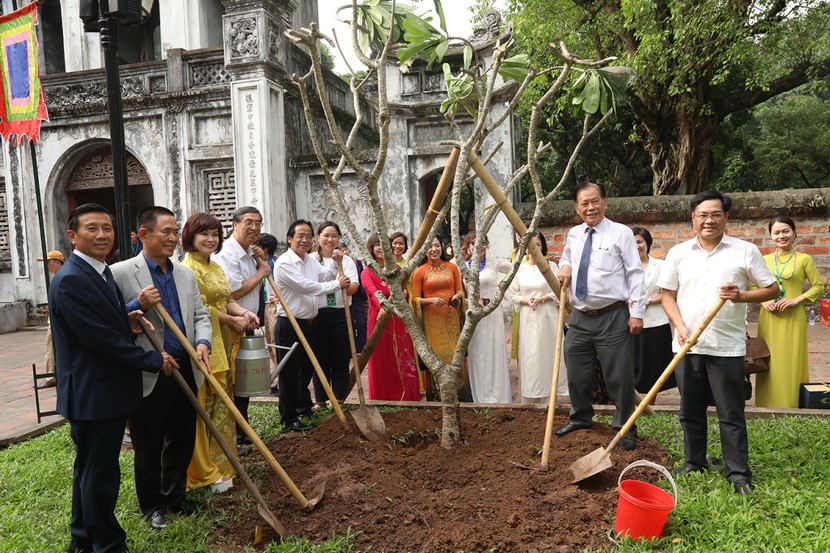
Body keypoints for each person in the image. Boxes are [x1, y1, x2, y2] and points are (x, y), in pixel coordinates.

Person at [50, 204, 175, 553]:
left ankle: (82, 538)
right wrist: (151, 359)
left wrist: (128, 316)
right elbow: (100, 341)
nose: (102, 235)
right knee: (100, 473)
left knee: (88, 470)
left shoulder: (99, 271)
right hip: (94, 393)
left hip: (102, 390)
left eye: (107, 228)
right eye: (92, 228)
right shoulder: (73, 278)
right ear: (72, 235)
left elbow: (102, 322)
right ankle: (107, 543)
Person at [659, 189, 778, 495]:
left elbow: (772, 290)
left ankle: (738, 472)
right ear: (693, 218)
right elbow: (667, 295)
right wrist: (679, 326)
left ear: (726, 217)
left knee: (731, 413)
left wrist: (741, 296)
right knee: (690, 410)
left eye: (715, 214)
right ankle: (694, 462)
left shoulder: (745, 251)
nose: (709, 220)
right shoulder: (678, 253)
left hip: (727, 346)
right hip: (687, 345)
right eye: (703, 214)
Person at [111, 206, 213, 529]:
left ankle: (175, 497)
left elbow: (200, 315)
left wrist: (203, 343)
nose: (173, 238)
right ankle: (153, 505)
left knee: (182, 437)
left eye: (175, 232)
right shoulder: (120, 273)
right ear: (144, 235)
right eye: (166, 232)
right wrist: (135, 305)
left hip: (184, 366)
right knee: (149, 443)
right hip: (149, 370)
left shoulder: (185, 273)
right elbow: (109, 324)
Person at [555, 182, 645, 452]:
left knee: (619, 375)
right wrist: (565, 266)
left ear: (605, 202)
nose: (590, 207)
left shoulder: (621, 233)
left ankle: (624, 426)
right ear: (577, 207)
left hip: (613, 314)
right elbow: (566, 259)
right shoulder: (574, 234)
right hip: (580, 317)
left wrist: (637, 313)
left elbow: (635, 273)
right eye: (584, 203)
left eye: (595, 201)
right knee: (577, 372)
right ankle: (581, 417)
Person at [181, 213, 259, 493]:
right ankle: (204, 472)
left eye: (215, 234)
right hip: (204, 345)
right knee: (205, 408)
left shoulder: (214, 267)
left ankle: (224, 464)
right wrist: (232, 320)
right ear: (190, 236)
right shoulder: (187, 269)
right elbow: (200, 310)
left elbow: (226, 301)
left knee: (223, 406)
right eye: (204, 234)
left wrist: (244, 312)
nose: (211, 239)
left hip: (225, 344)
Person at [272, 219, 350, 431]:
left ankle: (302, 408)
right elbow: (307, 287)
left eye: (308, 236)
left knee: (305, 369)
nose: (305, 240)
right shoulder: (285, 263)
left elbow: (324, 275)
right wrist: (337, 284)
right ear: (289, 239)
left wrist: (334, 262)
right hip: (289, 324)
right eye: (300, 236)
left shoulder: (310, 260)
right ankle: (288, 418)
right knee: (289, 373)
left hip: (309, 323)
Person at [213, 206, 272, 445]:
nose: (254, 227)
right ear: (235, 224)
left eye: (258, 223)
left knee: (243, 380)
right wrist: (263, 272)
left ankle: (242, 428)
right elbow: (234, 292)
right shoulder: (227, 254)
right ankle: (236, 433)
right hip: (230, 323)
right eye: (249, 222)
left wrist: (260, 263)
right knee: (234, 381)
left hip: (246, 322)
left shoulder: (249, 253)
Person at [756, 216, 824, 408]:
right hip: (769, 317)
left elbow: (817, 286)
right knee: (769, 360)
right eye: (776, 232)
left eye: (786, 231)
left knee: (791, 360)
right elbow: (752, 285)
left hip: (793, 317)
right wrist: (764, 301)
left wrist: (796, 300)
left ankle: (791, 403)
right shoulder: (763, 260)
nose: (781, 236)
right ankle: (765, 405)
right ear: (770, 236)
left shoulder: (804, 259)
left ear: (795, 233)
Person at [507, 231, 567, 403]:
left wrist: (542, 299)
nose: (533, 248)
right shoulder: (519, 269)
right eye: (530, 245)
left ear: (543, 247)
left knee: (549, 353)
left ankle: (550, 398)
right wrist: (527, 300)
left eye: (537, 244)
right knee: (531, 355)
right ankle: (531, 396)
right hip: (528, 316)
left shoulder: (550, 267)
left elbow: (559, 291)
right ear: (524, 248)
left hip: (548, 315)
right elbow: (513, 294)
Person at [361, 233, 420, 401]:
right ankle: (382, 397)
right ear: (371, 249)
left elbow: (405, 294)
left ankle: (407, 398)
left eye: (384, 243)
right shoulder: (367, 272)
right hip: (379, 321)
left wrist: (404, 293)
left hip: (398, 320)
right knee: (382, 360)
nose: (381, 247)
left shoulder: (396, 270)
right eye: (377, 244)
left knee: (402, 357)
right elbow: (373, 292)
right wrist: (383, 307)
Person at [412, 236, 470, 401]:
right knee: (437, 358)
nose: (434, 249)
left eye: (436, 245)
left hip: (451, 319)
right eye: (430, 246)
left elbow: (460, 290)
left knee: (455, 355)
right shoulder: (420, 271)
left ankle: (460, 396)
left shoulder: (452, 267)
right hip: (432, 321)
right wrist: (430, 300)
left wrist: (457, 297)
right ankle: (437, 396)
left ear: (442, 247)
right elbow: (415, 299)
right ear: (425, 250)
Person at [311, 221, 360, 409]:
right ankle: (321, 400)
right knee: (319, 358)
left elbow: (353, 287)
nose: (330, 240)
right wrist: (337, 282)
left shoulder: (347, 261)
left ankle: (339, 397)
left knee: (341, 357)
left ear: (339, 238)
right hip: (318, 313)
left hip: (341, 314)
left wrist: (345, 284)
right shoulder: (310, 260)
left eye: (334, 236)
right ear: (318, 237)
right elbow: (311, 285)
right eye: (326, 235)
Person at [464, 231, 512, 403]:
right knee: (478, 353)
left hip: (492, 314)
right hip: (474, 316)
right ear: (468, 247)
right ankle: (482, 397)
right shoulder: (464, 267)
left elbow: (515, 269)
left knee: (495, 350)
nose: (481, 246)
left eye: (484, 243)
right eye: (476, 243)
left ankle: (499, 396)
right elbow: (461, 291)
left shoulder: (494, 263)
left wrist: (502, 284)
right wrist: (472, 299)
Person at [630, 226, 676, 398]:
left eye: (640, 242)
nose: (637, 246)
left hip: (656, 321)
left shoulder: (661, 266)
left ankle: (650, 402)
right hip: (629, 321)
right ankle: (633, 403)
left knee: (654, 365)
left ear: (647, 243)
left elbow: (668, 293)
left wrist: (647, 301)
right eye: (632, 243)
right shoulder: (622, 267)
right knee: (632, 364)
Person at [38, 250, 65, 389]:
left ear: (57, 262)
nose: (47, 266)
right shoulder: (58, 277)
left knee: (51, 346)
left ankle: (51, 376)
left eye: (48, 262)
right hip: (55, 318)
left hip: (58, 320)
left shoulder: (62, 276)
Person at [254, 233, 280, 372]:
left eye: (257, 246)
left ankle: (283, 378)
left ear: (264, 250)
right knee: (270, 343)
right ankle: (279, 374)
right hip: (266, 306)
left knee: (275, 343)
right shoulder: (259, 264)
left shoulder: (275, 263)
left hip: (275, 306)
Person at [340, 244, 368, 352]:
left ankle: (361, 348)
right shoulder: (338, 264)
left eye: (346, 250)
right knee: (349, 325)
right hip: (345, 297)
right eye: (342, 250)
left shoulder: (357, 262)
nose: (345, 252)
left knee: (361, 323)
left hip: (357, 297)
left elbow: (360, 279)